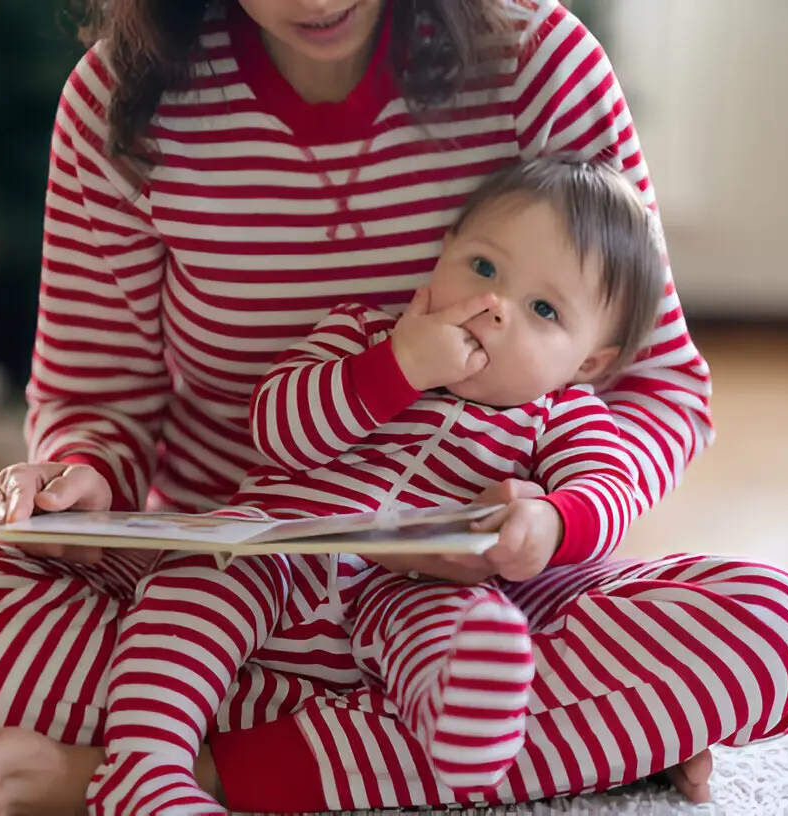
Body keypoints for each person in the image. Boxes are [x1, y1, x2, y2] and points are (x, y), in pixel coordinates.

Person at [0, 0, 788, 813]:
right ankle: (552, 738)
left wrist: (551, 523)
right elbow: (102, 397)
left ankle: (170, 769)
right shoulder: (119, 104)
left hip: (483, 595)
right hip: (231, 574)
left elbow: (653, 386)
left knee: (772, 626)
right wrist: (76, 479)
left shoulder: (536, 64)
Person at [85, 155, 669, 814]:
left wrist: (553, 524)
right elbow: (277, 427)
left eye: (543, 309)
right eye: (481, 268)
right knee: (192, 584)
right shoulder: (361, 334)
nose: (494, 308)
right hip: (274, 557)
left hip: (413, 590)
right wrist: (397, 366)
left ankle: (461, 730)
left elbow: (608, 487)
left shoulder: (559, 414)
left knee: (468, 628)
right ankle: (145, 767)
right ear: (443, 253)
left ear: (588, 361)